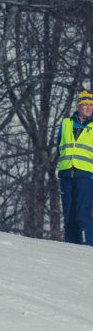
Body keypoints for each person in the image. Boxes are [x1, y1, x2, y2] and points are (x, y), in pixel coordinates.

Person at [57, 89, 93, 246]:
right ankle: (69, 248)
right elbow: (60, 146)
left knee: (81, 214)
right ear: (78, 106)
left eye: (91, 104)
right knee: (68, 215)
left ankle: (85, 246)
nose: (88, 107)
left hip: (86, 176)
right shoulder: (66, 123)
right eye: (85, 104)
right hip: (66, 174)